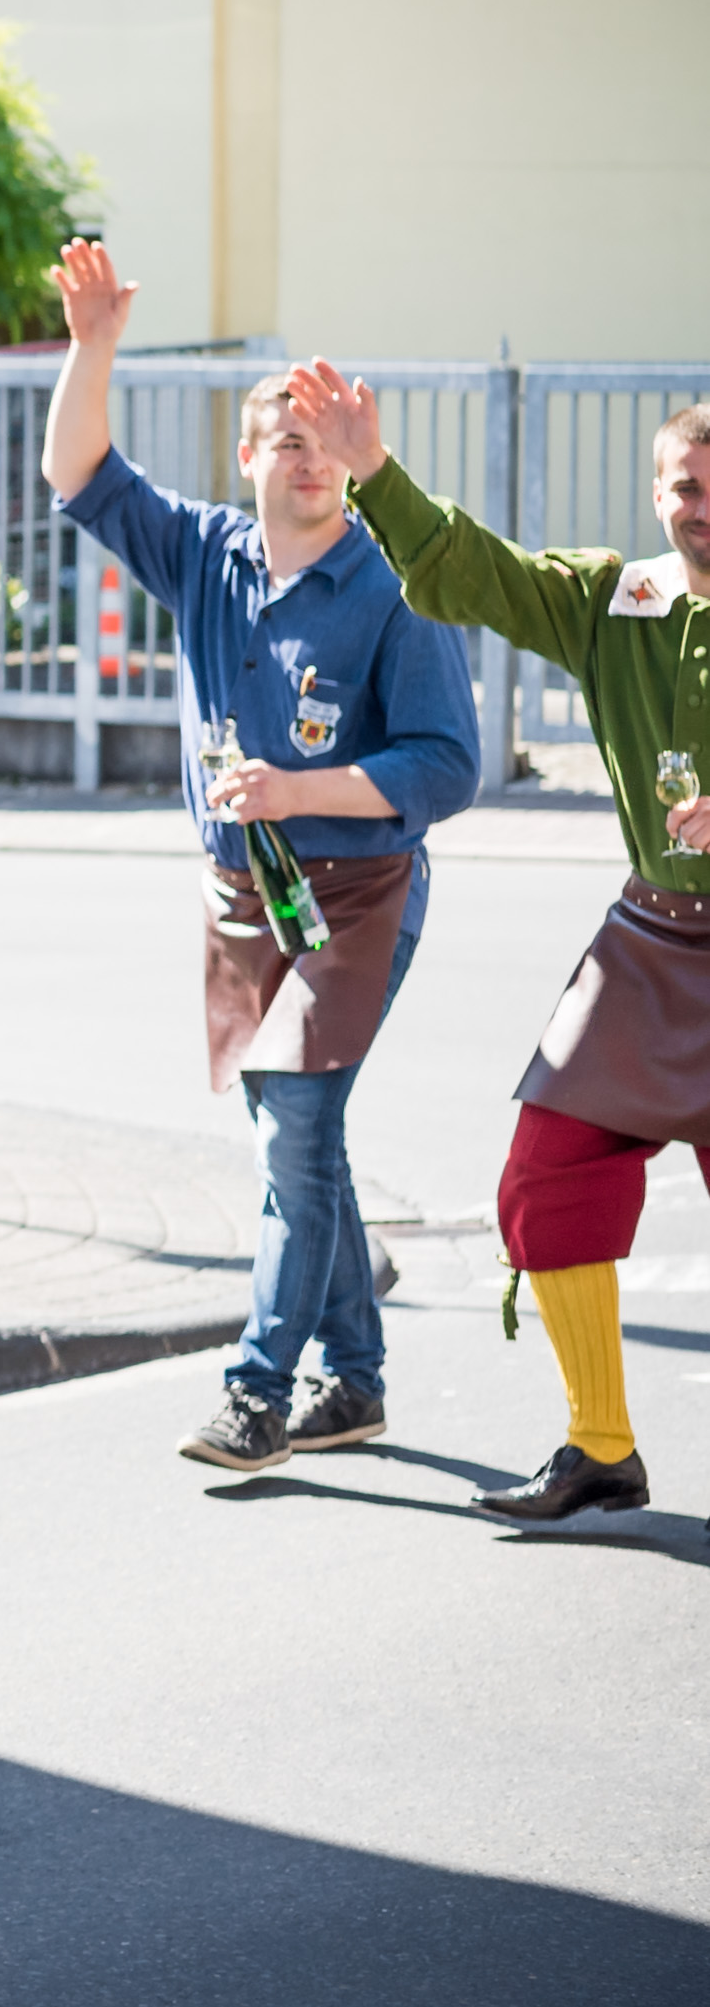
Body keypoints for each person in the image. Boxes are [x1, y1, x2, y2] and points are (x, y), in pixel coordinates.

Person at [39, 240, 478, 1475]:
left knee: (293, 1127)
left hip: (356, 890)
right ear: (248, 459)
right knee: (295, 1135)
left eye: (324, 436)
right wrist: (93, 347)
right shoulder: (207, 556)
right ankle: (358, 1379)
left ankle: (257, 1391)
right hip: (240, 894)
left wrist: (300, 786)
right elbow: (77, 473)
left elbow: (448, 766)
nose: (308, 455)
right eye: (285, 437)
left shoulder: (394, 583)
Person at [286, 362, 710, 1523]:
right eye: (683, 486)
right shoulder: (613, 602)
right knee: (547, 1177)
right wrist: (370, 468)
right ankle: (601, 1447)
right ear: (657, 492)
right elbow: (472, 573)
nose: (698, 506)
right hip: (652, 943)